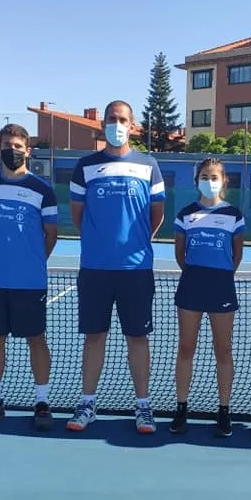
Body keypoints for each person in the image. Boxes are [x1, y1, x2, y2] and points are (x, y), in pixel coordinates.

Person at [66, 100, 165, 434]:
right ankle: (87, 403)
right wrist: (99, 242)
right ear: (103, 124)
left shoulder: (149, 165)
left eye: (123, 119)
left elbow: (157, 215)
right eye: (112, 118)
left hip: (136, 270)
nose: (117, 124)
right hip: (95, 269)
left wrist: (135, 242)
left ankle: (143, 406)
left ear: (132, 125)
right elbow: (78, 215)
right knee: (94, 337)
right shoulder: (85, 166)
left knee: (138, 338)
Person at [0, 123, 58, 430]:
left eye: (18, 146)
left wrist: (31, 262)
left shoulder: (42, 190)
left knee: (36, 340)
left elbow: (51, 234)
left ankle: (42, 402)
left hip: (29, 282)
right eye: (7, 145)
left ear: (27, 151)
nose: (12, 150)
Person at [170, 157, 245, 437]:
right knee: (186, 348)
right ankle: (181, 408)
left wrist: (220, 276)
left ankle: (224, 411)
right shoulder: (186, 214)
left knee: (223, 350)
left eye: (214, 177)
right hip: (191, 286)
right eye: (204, 177)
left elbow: (237, 254)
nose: (209, 181)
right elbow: (180, 254)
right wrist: (196, 274)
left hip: (221, 287)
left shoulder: (234, 215)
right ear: (197, 181)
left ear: (224, 181)